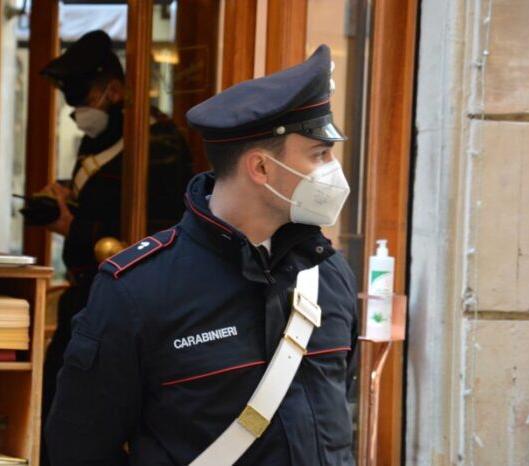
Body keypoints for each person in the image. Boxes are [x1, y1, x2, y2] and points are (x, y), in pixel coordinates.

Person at [45, 44, 359, 465]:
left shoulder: (328, 273)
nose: (332, 170)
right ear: (261, 168)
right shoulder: (138, 292)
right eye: (319, 154)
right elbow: (77, 451)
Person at [27, 30, 193, 466]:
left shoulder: (157, 142)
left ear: (114, 90)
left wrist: (73, 226)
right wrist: (64, 198)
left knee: (93, 427)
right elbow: (103, 195)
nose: (76, 111)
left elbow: (156, 228)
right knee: (57, 417)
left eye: (83, 98)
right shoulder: (100, 138)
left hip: (127, 302)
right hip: (82, 296)